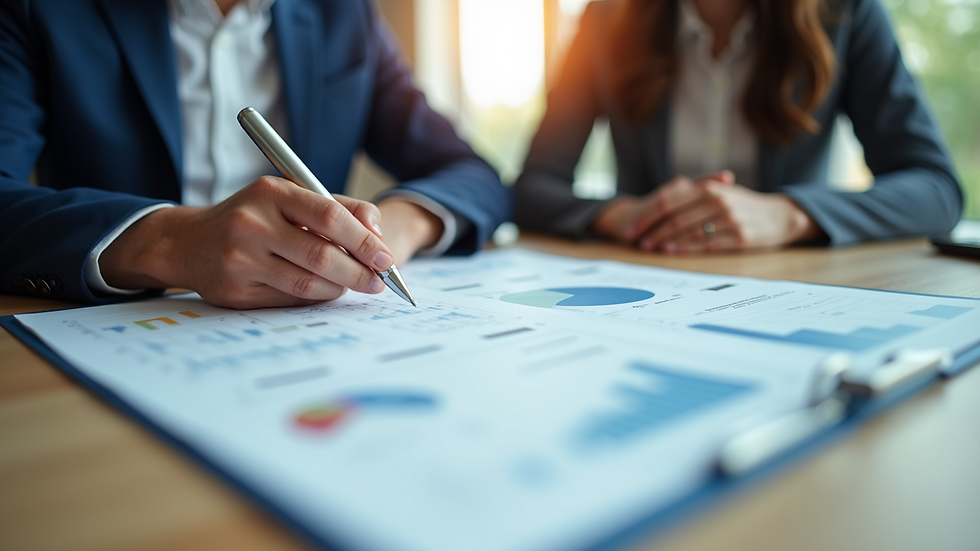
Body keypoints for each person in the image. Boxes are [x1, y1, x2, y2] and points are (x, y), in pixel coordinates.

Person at [0, 0, 510, 308]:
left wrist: (392, 230)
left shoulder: (344, 14)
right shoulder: (37, 9)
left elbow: (472, 173)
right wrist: (169, 243)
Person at [514, 0, 962, 254]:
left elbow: (936, 189)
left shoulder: (846, 13)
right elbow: (532, 186)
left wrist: (790, 215)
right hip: (651, 280)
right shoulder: (607, 17)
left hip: (792, 289)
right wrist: (625, 217)